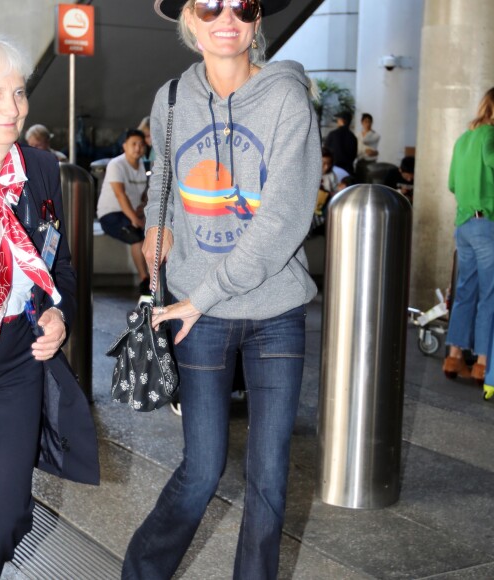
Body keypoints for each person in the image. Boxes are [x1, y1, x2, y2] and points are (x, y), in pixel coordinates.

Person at [122, 0, 321, 578]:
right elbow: (162, 181)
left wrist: (201, 295)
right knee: (202, 467)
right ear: (188, 20)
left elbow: (283, 218)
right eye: (209, 6)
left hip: (273, 310)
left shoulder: (286, 98)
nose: (225, 17)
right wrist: (157, 274)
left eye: (243, 4)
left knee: (268, 477)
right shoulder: (172, 99)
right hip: (193, 312)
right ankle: (141, 570)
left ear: (258, 20)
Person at [0, 30, 99, 579]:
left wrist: (59, 313)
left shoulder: (42, 171)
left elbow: (60, 268)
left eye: (20, 92)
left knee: (2, 519)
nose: (13, 108)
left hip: (10, 364)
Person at [443, 87, 494, 382]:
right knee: (492, 294)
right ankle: (483, 362)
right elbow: (493, 158)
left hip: (464, 224)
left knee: (465, 292)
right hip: (487, 221)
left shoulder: (462, 139)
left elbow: (451, 183)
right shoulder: (491, 133)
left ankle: (454, 357)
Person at [96, 128, 150, 294]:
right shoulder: (116, 164)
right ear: (124, 146)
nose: (137, 148)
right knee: (136, 236)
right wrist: (135, 219)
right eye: (133, 144)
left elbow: (144, 195)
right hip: (111, 214)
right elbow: (120, 194)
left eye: (141, 144)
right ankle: (145, 281)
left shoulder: (143, 166)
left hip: (132, 212)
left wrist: (142, 207)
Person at [324, 109, 357, 175]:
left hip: (333, 171)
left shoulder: (333, 134)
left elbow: (325, 152)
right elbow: (354, 156)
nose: (337, 121)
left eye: (338, 119)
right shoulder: (353, 137)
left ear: (342, 121)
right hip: (348, 171)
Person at [355, 112, 380, 182]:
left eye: (369, 122)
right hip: (360, 161)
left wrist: (374, 152)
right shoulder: (357, 135)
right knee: (359, 181)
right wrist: (365, 151)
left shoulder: (375, 135)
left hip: (370, 162)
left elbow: (365, 141)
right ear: (362, 122)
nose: (368, 124)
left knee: (368, 181)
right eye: (366, 122)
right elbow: (360, 149)